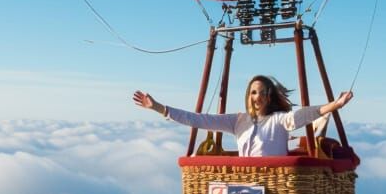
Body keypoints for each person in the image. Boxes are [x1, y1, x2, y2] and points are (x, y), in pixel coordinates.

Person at [132, 75, 353, 157]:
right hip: (246, 183)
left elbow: (304, 115)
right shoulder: (237, 120)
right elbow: (198, 119)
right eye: (253, 92)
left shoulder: (279, 120)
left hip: (274, 183)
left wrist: (335, 105)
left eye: (262, 92)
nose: (257, 97)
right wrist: (159, 108)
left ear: (269, 97)